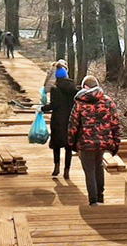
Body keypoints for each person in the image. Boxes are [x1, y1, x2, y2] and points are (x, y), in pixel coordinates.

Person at [68, 75, 120, 205]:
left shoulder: (80, 103)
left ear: (84, 87)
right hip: (103, 142)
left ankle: (93, 200)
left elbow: (73, 125)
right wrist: (116, 143)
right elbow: (115, 123)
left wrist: (71, 142)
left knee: (89, 170)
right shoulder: (108, 101)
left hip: (86, 142)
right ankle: (100, 196)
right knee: (99, 166)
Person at [40, 66, 79, 178]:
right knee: (68, 147)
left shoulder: (55, 89)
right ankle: (67, 170)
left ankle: (56, 167)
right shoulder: (75, 90)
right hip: (71, 121)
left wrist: (43, 108)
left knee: (57, 145)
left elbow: (53, 105)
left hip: (58, 121)